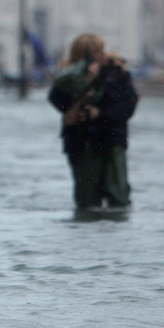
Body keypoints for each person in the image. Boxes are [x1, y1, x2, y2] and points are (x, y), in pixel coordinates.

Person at [48, 33, 138, 209]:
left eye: (101, 50)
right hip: (81, 142)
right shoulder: (68, 78)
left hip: (112, 140)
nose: (102, 55)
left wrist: (100, 113)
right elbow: (59, 101)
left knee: (118, 196)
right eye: (95, 53)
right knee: (87, 200)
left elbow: (127, 105)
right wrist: (85, 82)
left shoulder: (116, 73)